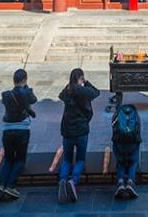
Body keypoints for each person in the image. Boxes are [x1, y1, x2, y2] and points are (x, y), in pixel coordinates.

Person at [57, 68, 101, 204]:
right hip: (81, 130)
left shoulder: (67, 90)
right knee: (80, 159)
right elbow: (96, 92)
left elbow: (61, 95)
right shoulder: (83, 91)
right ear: (80, 78)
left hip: (67, 131)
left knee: (67, 160)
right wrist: (86, 82)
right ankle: (73, 181)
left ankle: (62, 180)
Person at [0, 68, 37, 201]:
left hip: (7, 130)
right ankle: (11, 185)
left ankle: (2, 185)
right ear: (24, 80)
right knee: (20, 159)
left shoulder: (6, 95)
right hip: (21, 130)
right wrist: (27, 88)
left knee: (8, 159)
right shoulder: (26, 93)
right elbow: (33, 99)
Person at [112, 103, 141, 200]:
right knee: (133, 163)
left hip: (119, 144)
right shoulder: (135, 115)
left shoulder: (117, 115)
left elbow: (114, 129)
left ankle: (120, 182)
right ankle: (130, 182)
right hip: (132, 144)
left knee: (120, 163)